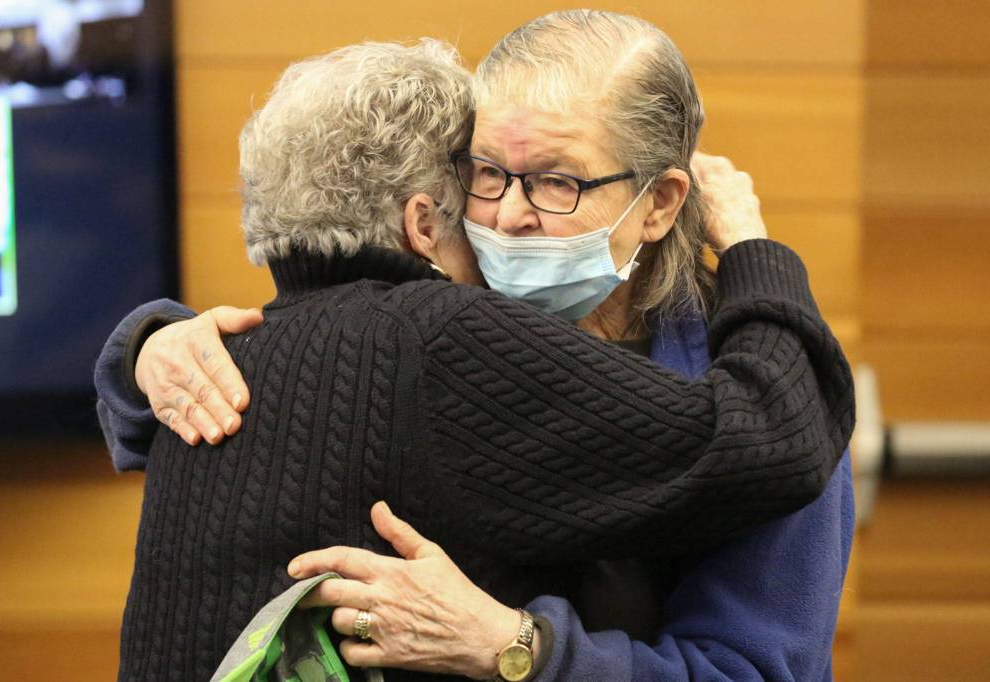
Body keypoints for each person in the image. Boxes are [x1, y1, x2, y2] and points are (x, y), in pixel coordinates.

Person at [96, 12, 853, 682]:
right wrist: (150, 348)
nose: (510, 215)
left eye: (558, 182)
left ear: (658, 203)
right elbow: (274, 382)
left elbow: (751, 669)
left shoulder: (772, 377)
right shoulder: (447, 315)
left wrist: (516, 648)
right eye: (488, 174)